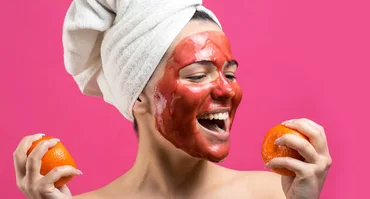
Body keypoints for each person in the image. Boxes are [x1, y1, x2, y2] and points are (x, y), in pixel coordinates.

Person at [12, 1, 332, 198]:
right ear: (139, 95)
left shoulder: (277, 195)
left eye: (230, 74)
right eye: (197, 75)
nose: (227, 90)